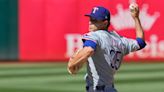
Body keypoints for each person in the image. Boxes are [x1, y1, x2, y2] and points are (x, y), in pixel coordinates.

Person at [67, 3, 146, 92]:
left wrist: (72, 63)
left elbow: (89, 50)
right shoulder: (120, 40)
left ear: (105, 23)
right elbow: (141, 42)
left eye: (95, 20)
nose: (90, 22)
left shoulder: (94, 36)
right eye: (90, 18)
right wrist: (136, 18)